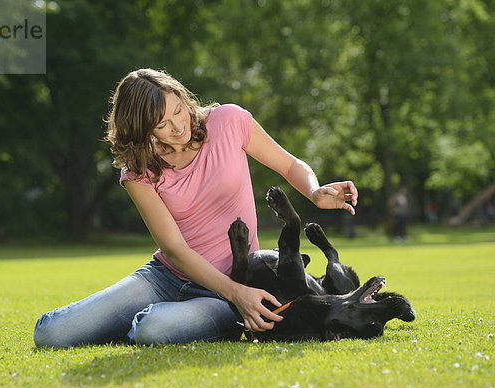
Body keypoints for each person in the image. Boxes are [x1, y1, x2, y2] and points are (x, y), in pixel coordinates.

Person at [33, 68, 358, 347]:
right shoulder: (138, 171)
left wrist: (315, 191)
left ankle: (155, 323)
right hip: (166, 277)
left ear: (182, 97)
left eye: (178, 109)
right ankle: (135, 322)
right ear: (142, 130)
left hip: (234, 282)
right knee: (51, 334)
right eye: (161, 124)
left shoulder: (230, 121)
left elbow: (289, 165)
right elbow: (173, 248)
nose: (178, 125)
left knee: (153, 329)